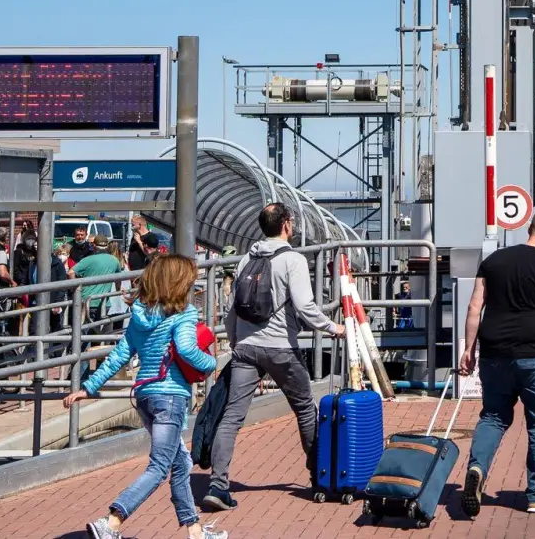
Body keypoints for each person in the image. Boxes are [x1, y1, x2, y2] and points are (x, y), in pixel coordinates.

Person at [65, 255, 224, 539]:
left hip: (145, 397)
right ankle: (111, 521)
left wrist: (88, 387)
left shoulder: (139, 315)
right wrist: (212, 364)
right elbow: (187, 350)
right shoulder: (184, 314)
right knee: (161, 465)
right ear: (178, 283)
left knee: (180, 464)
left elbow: (118, 357)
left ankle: (196, 531)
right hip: (170, 397)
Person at [203, 204, 345, 512]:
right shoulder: (292, 260)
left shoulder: (245, 259)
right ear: (286, 224)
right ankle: (319, 479)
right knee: (306, 410)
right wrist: (334, 327)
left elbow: (232, 310)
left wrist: (236, 341)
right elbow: (306, 307)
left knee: (232, 417)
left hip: (246, 349)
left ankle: (218, 485)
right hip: (282, 349)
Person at [458, 210, 535, 517]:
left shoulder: (494, 261)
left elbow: (475, 306)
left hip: (493, 354)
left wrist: (468, 350)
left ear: (530, 229)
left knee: (493, 418)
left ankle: (476, 468)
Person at [74, 240, 125, 321]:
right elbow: (118, 279)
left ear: (94, 246)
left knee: (83, 331)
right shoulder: (114, 260)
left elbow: (70, 272)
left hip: (87, 302)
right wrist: (118, 289)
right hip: (104, 303)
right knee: (100, 331)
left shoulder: (87, 260)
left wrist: (75, 289)